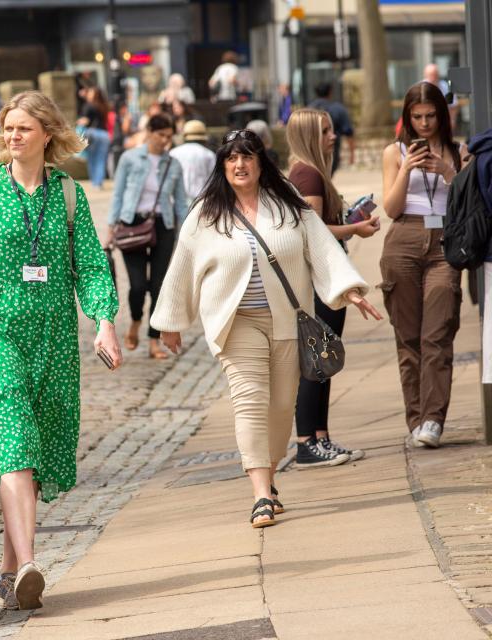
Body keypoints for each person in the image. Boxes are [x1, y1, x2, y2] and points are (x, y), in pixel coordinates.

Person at [0, 90, 121, 609]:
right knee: (13, 433)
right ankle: (33, 561)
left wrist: (104, 322)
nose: (12, 137)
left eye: (23, 129)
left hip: (54, 337)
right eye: (6, 129)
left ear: (47, 135)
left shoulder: (69, 195)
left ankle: (10, 570)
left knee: (32, 445)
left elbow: (92, 265)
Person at [151, 129, 380, 527]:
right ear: (222, 165)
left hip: (287, 320)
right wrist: (170, 322)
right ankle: (260, 494)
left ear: (261, 161)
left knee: (279, 407)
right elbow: (181, 265)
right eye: (232, 158)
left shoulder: (289, 205)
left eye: (247, 157)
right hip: (236, 322)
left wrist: (348, 291)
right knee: (250, 399)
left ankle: (269, 478)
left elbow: (322, 247)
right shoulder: (206, 213)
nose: (240, 165)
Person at [287, 108, 381, 467]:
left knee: (324, 359)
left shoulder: (311, 171)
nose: (333, 135)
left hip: (323, 279)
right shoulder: (308, 175)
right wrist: (354, 230)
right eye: (325, 130)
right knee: (316, 360)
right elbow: (315, 232)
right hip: (319, 281)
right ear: (311, 134)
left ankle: (320, 436)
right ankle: (306, 441)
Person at [380, 81, 465, 448]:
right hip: (404, 238)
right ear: (407, 118)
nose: (425, 123)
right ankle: (415, 418)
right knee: (408, 336)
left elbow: (467, 200)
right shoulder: (394, 152)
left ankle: (433, 419)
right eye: (417, 117)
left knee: (438, 331)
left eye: (431, 116)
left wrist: (447, 171)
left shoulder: (459, 151)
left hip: (445, 241)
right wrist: (407, 168)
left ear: (441, 116)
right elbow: (391, 208)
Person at [108, 112, 188, 359]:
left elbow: (181, 203)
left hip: (163, 225)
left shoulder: (173, 164)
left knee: (158, 286)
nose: (165, 141)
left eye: (169, 136)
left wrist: (187, 233)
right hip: (132, 223)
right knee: (137, 285)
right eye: (161, 135)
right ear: (150, 132)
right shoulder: (130, 159)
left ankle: (154, 340)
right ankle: (134, 322)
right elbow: (118, 194)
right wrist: (111, 227)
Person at [309, 82, 355, 174]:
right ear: (330, 92)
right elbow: (348, 133)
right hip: (332, 151)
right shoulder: (338, 109)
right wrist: (352, 154)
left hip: (310, 152)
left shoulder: (308, 110)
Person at [170, 120, 216, 203]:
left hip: (177, 203)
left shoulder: (173, 153)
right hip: (202, 203)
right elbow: (214, 181)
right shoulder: (208, 154)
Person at [76, 86, 111, 189]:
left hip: (92, 133)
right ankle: (99, 182)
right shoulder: (104, 106)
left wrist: (77, 123)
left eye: (90, 92)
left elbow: (85, 121)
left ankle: (95, 182)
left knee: (92, 158)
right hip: (104, 135)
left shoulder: (88, 106)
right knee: (101, 159)